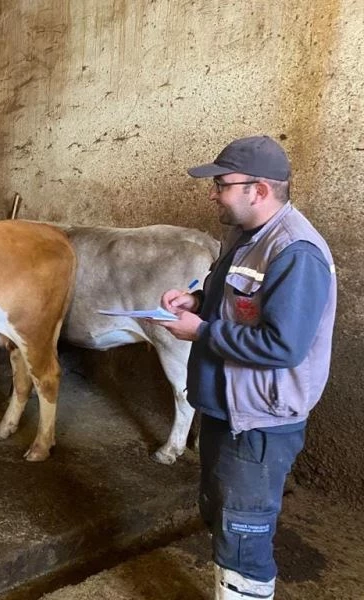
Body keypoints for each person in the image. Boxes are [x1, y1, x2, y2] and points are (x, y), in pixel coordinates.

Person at [152, 136, 336, 600]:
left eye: (222, 185)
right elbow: (238, 304)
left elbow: (283, 345)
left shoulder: (295, 252)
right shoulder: (245, 237)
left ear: (259, 190)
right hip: (226, 409)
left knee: (244, 536)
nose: (213, 194)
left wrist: (201, 332)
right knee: (222, 516)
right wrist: (196, 301)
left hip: (258, 423)